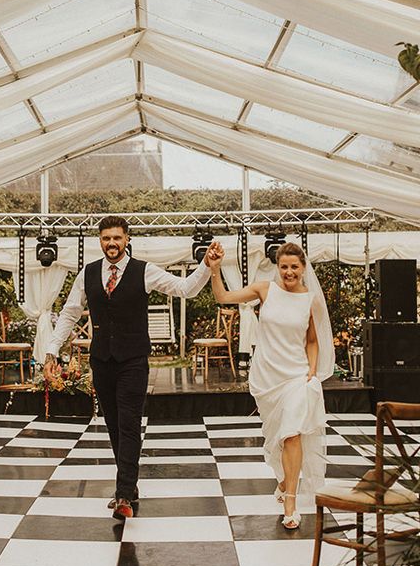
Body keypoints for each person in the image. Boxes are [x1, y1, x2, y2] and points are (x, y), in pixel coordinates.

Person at [44, 215, 219, 521]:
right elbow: (70, 313)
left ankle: (123, 493)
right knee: (113, 425)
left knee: (128, 422)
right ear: (100, 241)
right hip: (102, 360)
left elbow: (186, 288)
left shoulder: (144, 271)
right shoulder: (88, 273)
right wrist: (51, 350)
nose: (112, 243)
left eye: (117, 238)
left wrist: (205, 264)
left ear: (127, 239)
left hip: (133, 360)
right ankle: (130, 484)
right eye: (106, 238)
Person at [208, 242, 334, 530]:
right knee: (275, 438)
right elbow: (223, 296)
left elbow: (312, 340)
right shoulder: (265, 289)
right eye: (284, 266)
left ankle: (290, 501)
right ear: (278, 266)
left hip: (296, 377)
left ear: (303, 268)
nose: (289, 272)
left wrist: (312, 371)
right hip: (267, 378)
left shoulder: (311, 299)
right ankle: (284, 480)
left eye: (294, 266)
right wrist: (215, 270)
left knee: (292, 435)